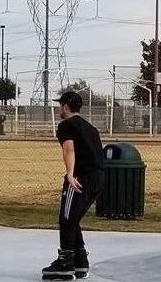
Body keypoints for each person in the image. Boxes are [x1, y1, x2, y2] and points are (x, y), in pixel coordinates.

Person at [41, 91, 103, 281]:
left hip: (79, 177)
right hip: (97, 178)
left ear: (66, 106)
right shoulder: (91, 128)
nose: (59, 109)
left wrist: (69, 174)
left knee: (66, 219)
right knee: (73, 218)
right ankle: (80, 261)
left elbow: (69, 149)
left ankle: (65, 263)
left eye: (60, 105)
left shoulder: (66, 125)